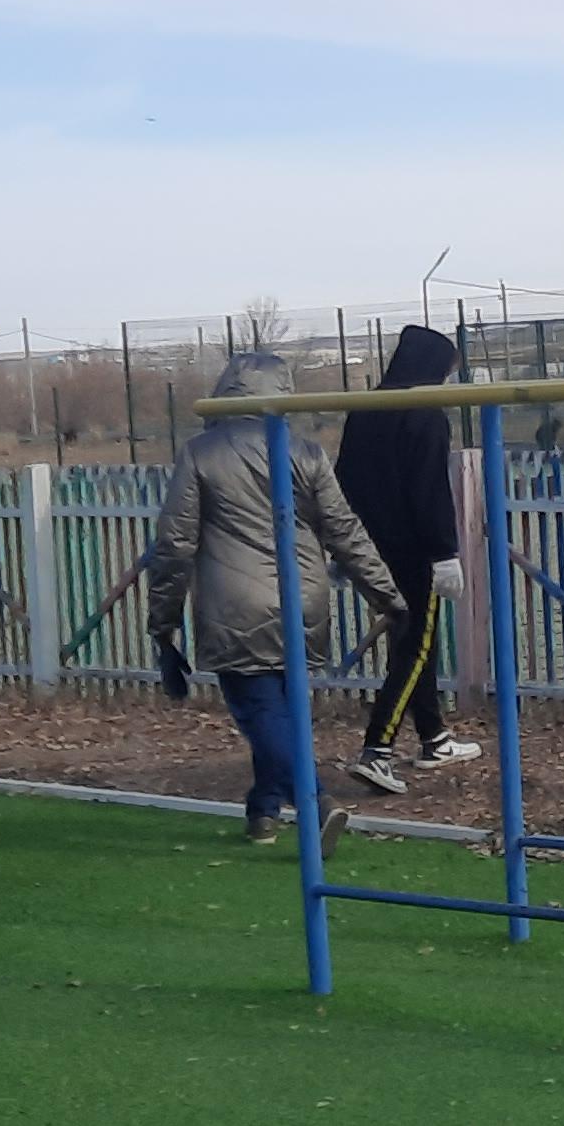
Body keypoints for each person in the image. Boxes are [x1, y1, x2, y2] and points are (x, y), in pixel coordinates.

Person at [145, 351, 406, 843]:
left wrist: (163, 624)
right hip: (303, 597)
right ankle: (263, 810)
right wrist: (387, 596)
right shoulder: (306, 453)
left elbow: (175, 544)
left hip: (234, 604)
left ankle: (315, 800)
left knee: (262, 712)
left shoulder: (201, 453)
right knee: (282, 711)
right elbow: (344, 532)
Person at [334, 324, 480, 795]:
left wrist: (343, 544)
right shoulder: (425, 414)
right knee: (415, 644)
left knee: (412, 641)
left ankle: (433, 736)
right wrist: (443, 551)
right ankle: (377, 749)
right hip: (413, 549)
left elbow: (343, 480)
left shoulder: (365, 411)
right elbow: (429, 488)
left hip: (370, 546)